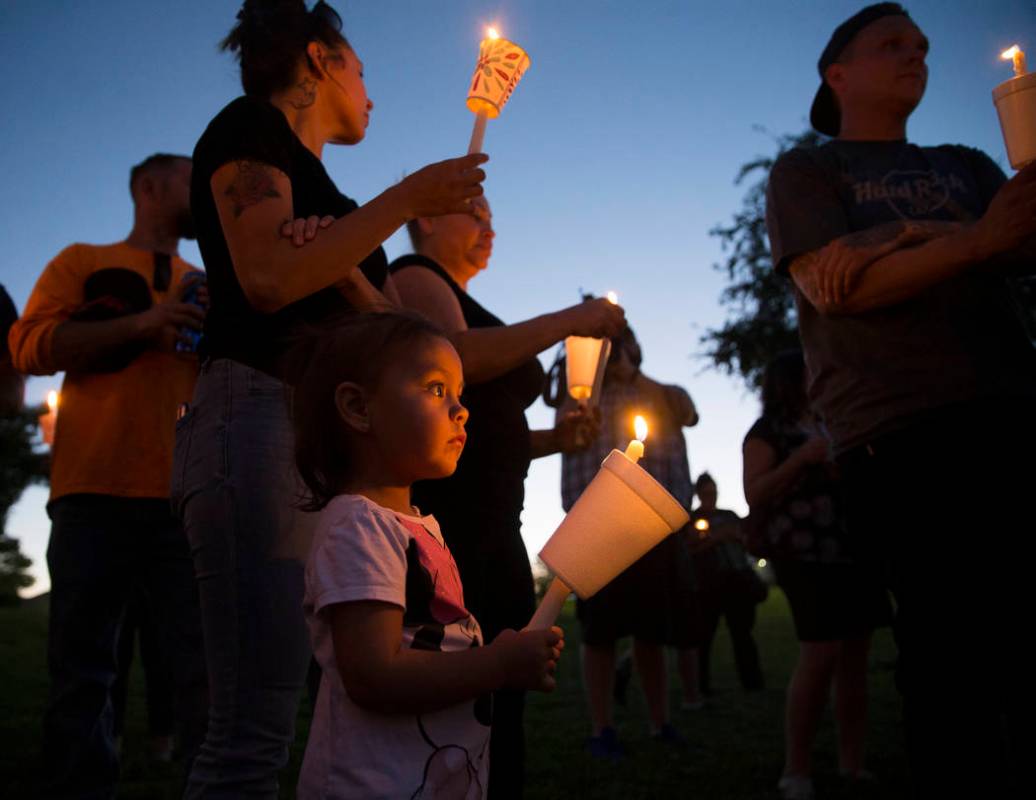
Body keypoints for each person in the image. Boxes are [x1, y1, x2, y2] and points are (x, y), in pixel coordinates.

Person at [173, 2, 488, 795]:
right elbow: (269, 278)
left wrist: (345, 269)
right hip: (257, 415)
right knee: (253, 724)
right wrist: (408, 197)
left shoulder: (332, 206)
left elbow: (386, 333)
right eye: (361, 68)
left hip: (316, 446)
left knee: (325, 700)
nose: (371, 92)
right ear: (318, 60)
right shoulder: (250, 131)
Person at [764, 5, 1036, 794]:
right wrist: (973, 242)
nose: (916, 54)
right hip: (900, 429)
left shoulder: (971, 162)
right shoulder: (810, 173)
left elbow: (1021, 243)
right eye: (892, 44)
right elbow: (834, 287)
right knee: (948, 652)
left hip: (1013, 406)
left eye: (921, 45)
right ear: (837, 74)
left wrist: (893, 239)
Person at [390, 198, 624, 793]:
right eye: (473, 214)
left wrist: (554, 438)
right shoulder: (414, 278)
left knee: (503, 707)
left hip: (497, 526)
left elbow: (482, 435)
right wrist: (568, 321)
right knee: (467, 699)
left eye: (493, 219)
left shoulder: (467, 300)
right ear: (426, 220)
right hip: (455, 526)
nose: (488, 229)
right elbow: (455, 358)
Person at [293, 311, 563, 798]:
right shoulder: (358, 527)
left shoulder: (416, 525)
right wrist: (498, 666)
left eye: (460, 395)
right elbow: (375, 675)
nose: (462, 410)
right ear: (358, 407)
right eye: (438, 390)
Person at [8, 153, 208, 798]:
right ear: (149, 186)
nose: (202, 187)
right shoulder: (80, 260)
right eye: (188, 176)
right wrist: (147, 323)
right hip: (92, 494)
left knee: (203, 674)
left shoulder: (208, 283)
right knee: (83, 675)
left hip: (185, 501)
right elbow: (30, 347)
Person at [743, 351, 890, 800]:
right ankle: (797, 768)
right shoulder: (768, 432)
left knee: (854, 658)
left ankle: (852, 763)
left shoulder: (836, 420)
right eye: (808, 369)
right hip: (803, 552)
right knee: (820, 652)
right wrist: (802, 459)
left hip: (853, 547)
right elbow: (755, 492)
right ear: (789, 381)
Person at [549, 325, 699, 758]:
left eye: (622, 345)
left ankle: (660, 721)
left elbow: (688, 411)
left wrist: (632, 375)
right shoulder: (578, 397)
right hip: (596, 523)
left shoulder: (659, 392)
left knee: (651, 632)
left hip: (656, 522)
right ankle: (603, 728)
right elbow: (563, 431)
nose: (614, 355)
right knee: (600, 634)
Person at [689, 472, 764, 697]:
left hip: (736, 580)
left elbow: (748, 540)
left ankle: (752, 683)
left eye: (713, 492)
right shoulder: (692, 519)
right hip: (708, 584)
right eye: (706, 493)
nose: (711, 497)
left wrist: (734, 535)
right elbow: (690, 550)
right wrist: (716, 538)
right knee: (704, 636)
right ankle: (701, 685)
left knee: (743, 634)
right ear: (699, 494)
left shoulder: (729, 516)